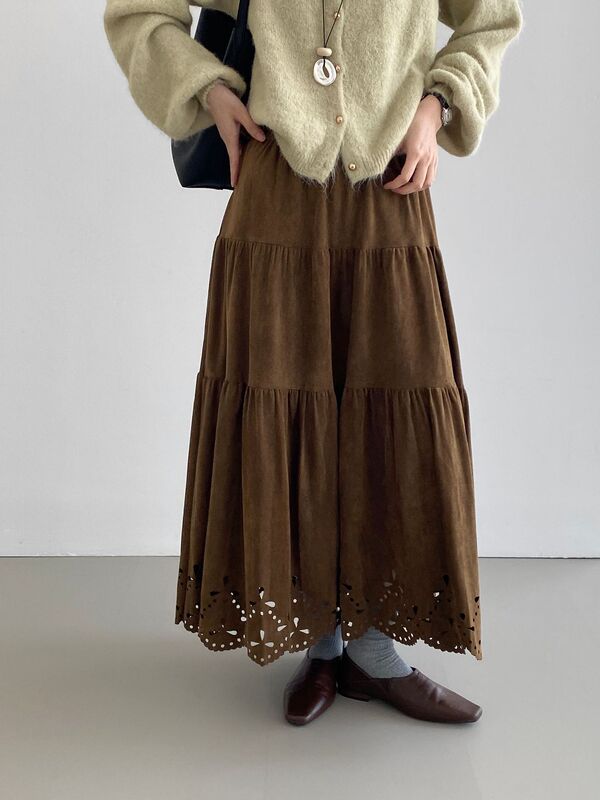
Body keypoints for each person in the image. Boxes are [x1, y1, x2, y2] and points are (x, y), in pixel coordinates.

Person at [103, 0, 523, 726]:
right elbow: (139, 11)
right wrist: (210, 89)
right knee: (289, 408)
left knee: (392, 406)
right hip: (275, 194)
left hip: (390, 192)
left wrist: (436, 106)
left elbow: (492, 18)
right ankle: (324, 645)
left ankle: (373, 650)